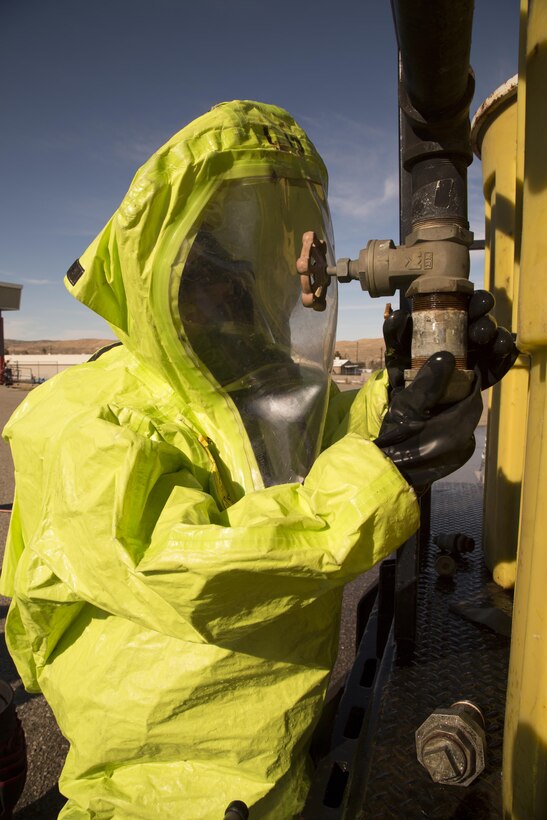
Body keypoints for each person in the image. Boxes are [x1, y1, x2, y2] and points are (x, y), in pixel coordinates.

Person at [0, 101, 516, 819]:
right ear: (158, 279)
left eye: (239, 281)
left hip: (275, 742)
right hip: (156, 784)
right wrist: (375, 477)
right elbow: (174, 567)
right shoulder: (84, 414)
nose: (233, 300)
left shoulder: (249, 389)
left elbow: (323, 443)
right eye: (208, 276)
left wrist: (405, 390)